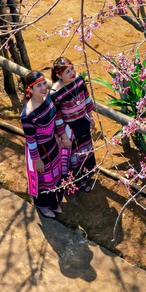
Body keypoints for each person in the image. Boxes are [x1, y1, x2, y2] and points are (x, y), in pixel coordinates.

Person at [20, 70, 71, 218]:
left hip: (53, 144)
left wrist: (60, 135)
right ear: (30, 89)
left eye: (44, 84)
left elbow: (56, 118)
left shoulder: (48, 99)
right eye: (38, 86)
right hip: (41, 151)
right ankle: (42, 204)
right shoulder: (28, 115)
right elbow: (31, 140)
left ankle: (54, 203)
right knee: (44, 179)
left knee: (55, 175)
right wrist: (37, 160)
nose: (43, 88)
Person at [49, 57, 98, 193]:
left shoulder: (79, 81)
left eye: (72, 69)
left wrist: (91, 117)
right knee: (75, 156)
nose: (72, 73)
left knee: (87, 150)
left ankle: (88, 175)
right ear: (58, 75)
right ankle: (78, 181)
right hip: (70, 128)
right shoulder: (56, 93)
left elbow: (87, 99)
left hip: (83, 121)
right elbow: (57, 116)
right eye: (67, 72)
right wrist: (64, 136)